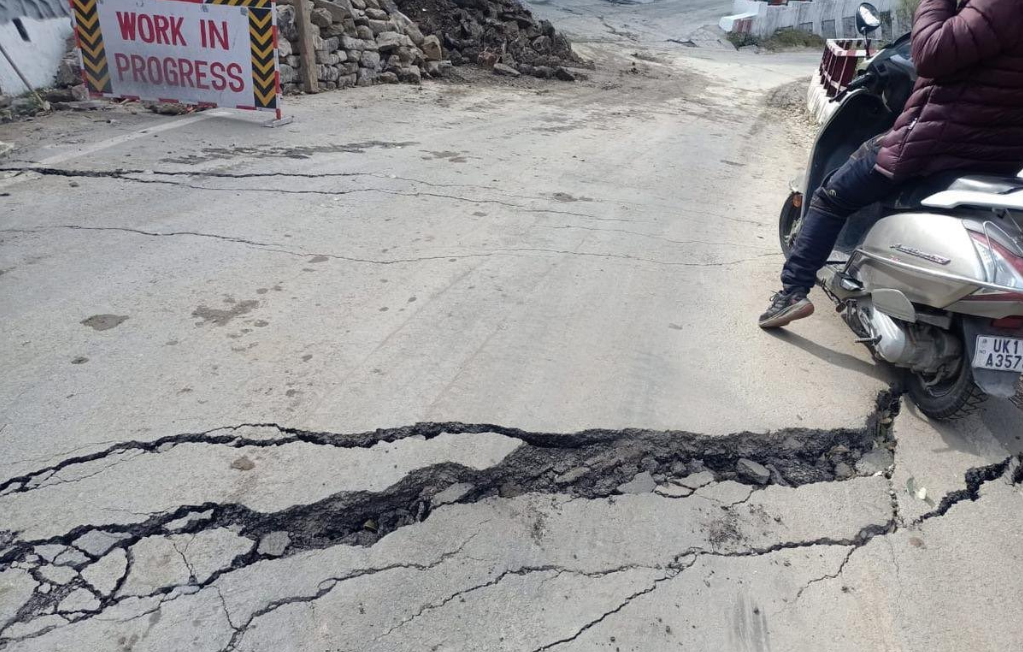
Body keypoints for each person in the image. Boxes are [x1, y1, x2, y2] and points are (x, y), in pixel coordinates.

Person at [759, 0, 1023, 329]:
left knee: (832, 196)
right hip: (1001, 156)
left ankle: (792, 293)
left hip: (938, 142)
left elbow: (929, 52)